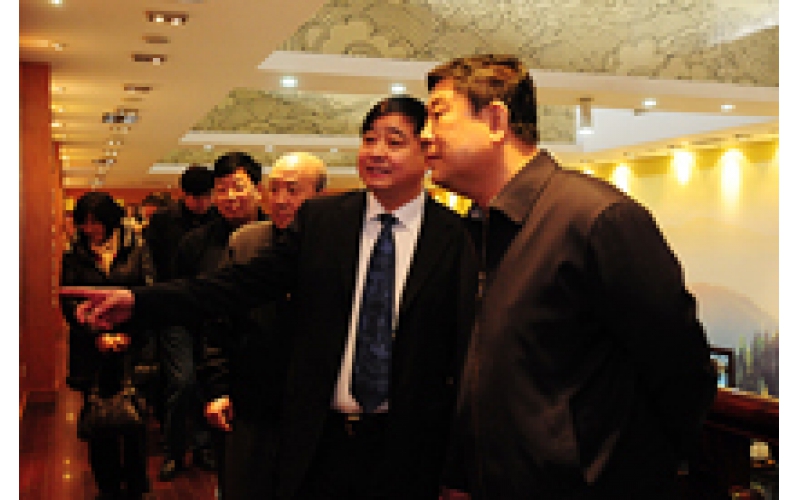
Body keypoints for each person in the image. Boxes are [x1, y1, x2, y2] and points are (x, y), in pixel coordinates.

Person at [62, 95, 478, 500]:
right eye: (369, 139)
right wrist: (139, 302)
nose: (376, 152)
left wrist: (459, 466)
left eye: (394, 141)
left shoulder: (454, 237)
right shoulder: (324, 222)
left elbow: (463, 357)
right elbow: (237, 284)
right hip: (320, 440)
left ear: (426, 152)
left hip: (407, 448)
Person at [421, 54, 718, 499]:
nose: (425, 135)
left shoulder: (597, 219)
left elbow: (682, 372)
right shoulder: (480, 229)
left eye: (438, 114)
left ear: (496, 121)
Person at [200, 151, 327, 500]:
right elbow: (219, 321)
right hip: (251, 403)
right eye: (274, 190)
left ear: (320, 196)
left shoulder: (337, 249)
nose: (281, 200)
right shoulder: (246, 243)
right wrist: (217, 387)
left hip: (314, 408)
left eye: (293, 190)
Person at [59, 191, 155, 500]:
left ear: (111, 220)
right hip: (92, 349)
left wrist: (128, 334)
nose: (90, 229)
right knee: (99, 421)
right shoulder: (73, 253)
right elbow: (69, 301)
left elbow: (147, 294)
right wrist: (96, 334)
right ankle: (108, 487)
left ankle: (137, 484)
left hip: (131, 347)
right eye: (84, 222)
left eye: (96, 222)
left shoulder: (136, 247)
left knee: (134, 418)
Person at [145, 165, 220, 481]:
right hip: (174, 310)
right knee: (182, 381)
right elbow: (152, 267)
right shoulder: (163, 222)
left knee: (206, 380)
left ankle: (203, 446)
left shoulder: (218, 220)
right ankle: (174, 450)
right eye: (195, 197)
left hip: (210, 312)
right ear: (183, 195)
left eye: (206, 197)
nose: (201, 203)